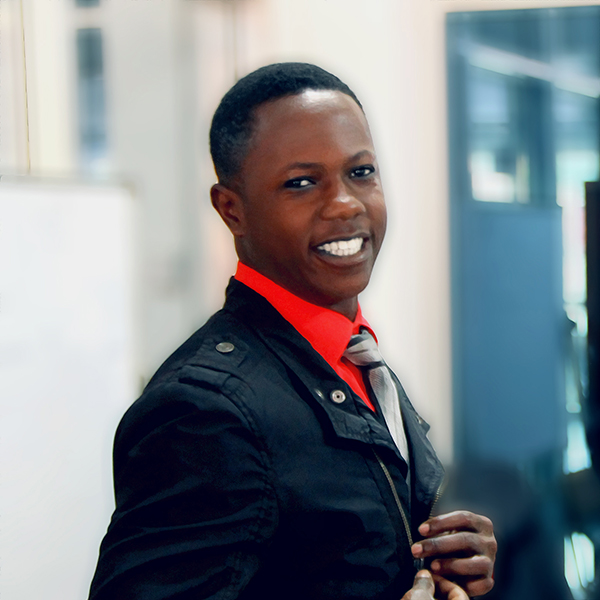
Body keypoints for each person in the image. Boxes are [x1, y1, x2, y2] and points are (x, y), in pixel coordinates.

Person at [88, 62, 496, 600]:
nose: (345, 203)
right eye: (301, 183)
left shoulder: (354, 359)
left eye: (361, 172)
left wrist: (443, 564)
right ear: (232, 210)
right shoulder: (204, 412)